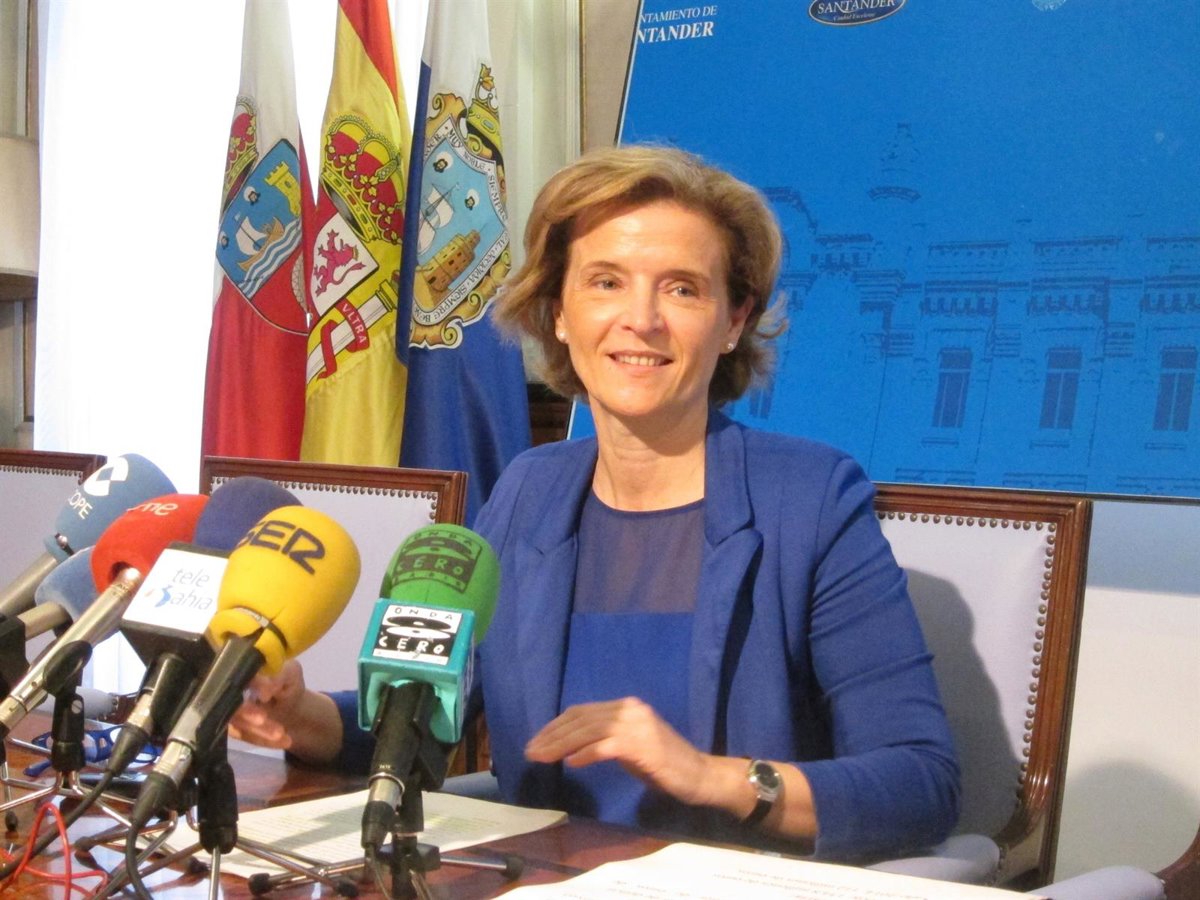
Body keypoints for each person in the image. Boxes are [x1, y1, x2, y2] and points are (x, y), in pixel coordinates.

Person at [230, 145, 960, 861]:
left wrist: (711, 776)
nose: (641, 318)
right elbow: (425, 710)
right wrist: (301, 715)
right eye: (606, 282)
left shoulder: (808, 501)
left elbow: (920, 781)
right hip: (543, 879)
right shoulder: (529, 490)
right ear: (558, 312)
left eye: (682, 289)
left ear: (734, 321)